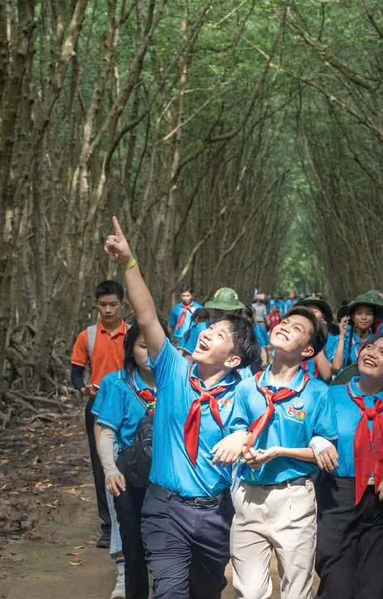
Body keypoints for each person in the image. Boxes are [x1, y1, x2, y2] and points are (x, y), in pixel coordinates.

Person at [103, 217, 257, 599]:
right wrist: (128, 262)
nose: (207, 332)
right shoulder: (173, 368)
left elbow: (261, 425)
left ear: (235, 360)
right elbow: (146, 317)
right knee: (169, 589)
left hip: (214, 514)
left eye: (220, 335)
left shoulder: (244, 391)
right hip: (165, 508)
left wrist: (241, 435)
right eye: (210, 327)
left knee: (206, 591)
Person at [212, 306, 336, 599]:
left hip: (293, 499)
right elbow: (239, 431)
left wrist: (281, 452)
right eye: (285, 322)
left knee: (296, 589)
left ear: (307, 351)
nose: (284, 327)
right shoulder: (247, 387)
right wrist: (244, 448)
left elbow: (325, 449)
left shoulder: (317, 392)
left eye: (295, 329)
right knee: (250, 591)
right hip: (248, 497)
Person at [313, 333, 383, 599]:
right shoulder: (331, 395)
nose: (371, 352)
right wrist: (318, 442)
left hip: (381, 501)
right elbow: (311, 431)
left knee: (377, 584)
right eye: (370, 346)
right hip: (337, 496)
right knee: (336, 581)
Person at [93, 322, 158, 599]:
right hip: (127, 477)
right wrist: (109, 471)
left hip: (166, 478)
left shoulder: (179, 383)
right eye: (144, 347)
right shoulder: (116, 384)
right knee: (132, 546)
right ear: (131, 350)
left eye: (156, 347)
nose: (151, 354)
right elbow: (106, 431)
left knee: (164, 545)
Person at [71, 280, 129, 549]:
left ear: (123, 305)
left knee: (132, 461)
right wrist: (84, 388)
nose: (108, 310)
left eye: (113, 305)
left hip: (131, 407)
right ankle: (108, 525)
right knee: (101, 465)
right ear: (96, 305)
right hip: (97, 407)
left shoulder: (132, 334)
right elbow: (76, 373)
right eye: (103, 305)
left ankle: (133, 520)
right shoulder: (88, 336)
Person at [329, 291, 383, 374]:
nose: (363, 317)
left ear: (374, 318)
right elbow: (336, 367)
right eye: (359, 313)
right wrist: (342, 336)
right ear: (352, 317)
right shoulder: (343, 340)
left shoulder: (379, 341)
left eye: (368, 314)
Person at [295, 295, 336, 380]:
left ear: (323, 316)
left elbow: (326, 375)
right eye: (306, 312)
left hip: (318, 390)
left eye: (314, 311)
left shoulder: (332, 340)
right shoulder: (293, 337)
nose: (310, 315)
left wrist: (316, 341)